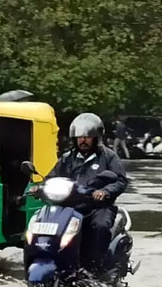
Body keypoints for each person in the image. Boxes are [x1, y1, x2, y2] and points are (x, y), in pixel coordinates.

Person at [46, 112, 129, 274]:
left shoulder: (108, 157)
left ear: (96, 137)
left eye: (87, 136)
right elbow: (52, 177)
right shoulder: (67, 158)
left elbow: (121, 181)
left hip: (98, 207)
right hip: (71, 207)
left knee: (100, 226)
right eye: (79, 137)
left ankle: (97, 268)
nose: (83, 140)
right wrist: (40, 187)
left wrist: (105, 191)